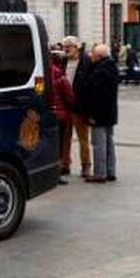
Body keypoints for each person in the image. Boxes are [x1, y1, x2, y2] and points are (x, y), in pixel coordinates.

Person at [83, 44, 119, 182]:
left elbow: (95, 95)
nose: (90, 56)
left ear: (98, 56)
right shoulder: (111, 67)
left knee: (99, 144)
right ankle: (110, 171)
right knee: (109, 142)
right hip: (110, 112)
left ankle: (100, 173)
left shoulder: (100, 71)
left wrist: (91, 114)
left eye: (92, 54)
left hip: (99, 112)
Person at [61, 36, 94, 178]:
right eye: (64, 46)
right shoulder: (62, 61)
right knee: (65, 138)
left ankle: (86, 165)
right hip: (65, 106)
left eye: (70, 46)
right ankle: (65, 164)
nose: (67, 48)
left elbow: (90, 86)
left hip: (80, 107)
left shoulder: (86, 62)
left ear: (77, 47)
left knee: (83, 139)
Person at [46, 51, 76, 185]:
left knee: (49, 145)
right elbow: (70, 99)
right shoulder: (62, 78)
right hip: (62, 116)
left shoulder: (44, 75)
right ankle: (57, 174)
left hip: (48, 115)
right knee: (60, 146)